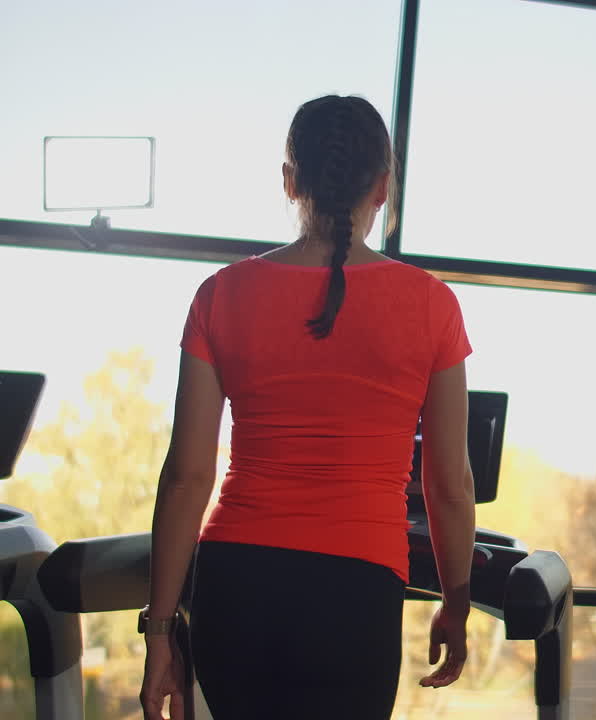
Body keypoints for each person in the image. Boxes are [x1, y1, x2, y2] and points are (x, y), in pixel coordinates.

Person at [139, 95, 475, 720]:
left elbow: (186, 477)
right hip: (358, 590)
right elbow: (449, 484)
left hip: (236, 580)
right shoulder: (433, 305)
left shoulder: (220, 295)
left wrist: (159, 630)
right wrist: (457, 600)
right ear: (382, 186)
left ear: (289, 180)